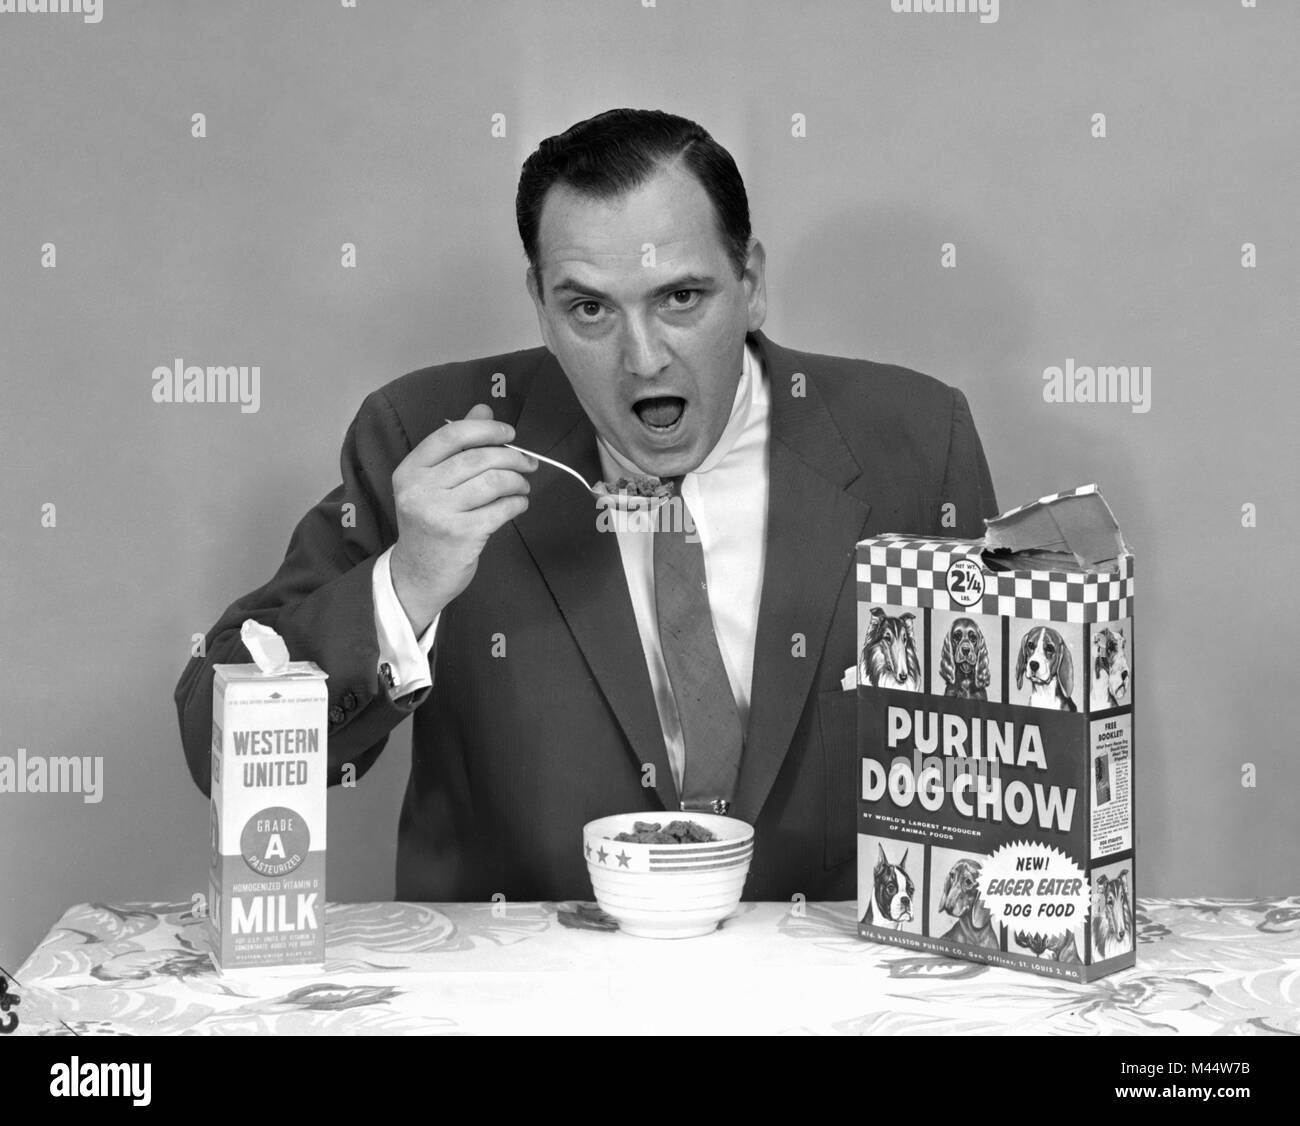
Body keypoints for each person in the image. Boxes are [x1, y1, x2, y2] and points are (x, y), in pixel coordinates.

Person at [175, 108, 998, 903]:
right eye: (590, 309)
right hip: (527, 990)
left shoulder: (918, 442)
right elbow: (217, 743)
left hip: (828, 990)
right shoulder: (427, 436)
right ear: (540, 303)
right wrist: (406, 586)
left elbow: (999, 758)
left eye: (682, 298)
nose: (643, 359)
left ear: (750, 285)